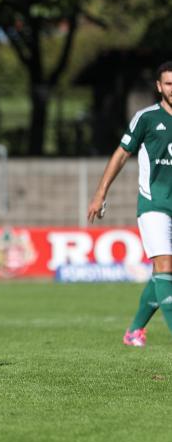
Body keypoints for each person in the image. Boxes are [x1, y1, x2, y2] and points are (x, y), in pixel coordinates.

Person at [87, 60, 172, 347]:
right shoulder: (146, 118)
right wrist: (100, 193)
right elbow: (121, 155)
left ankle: (134, 331)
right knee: (164, 264)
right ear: (159, 87)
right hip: (154, 205)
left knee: (163, 274)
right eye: (169, 83)